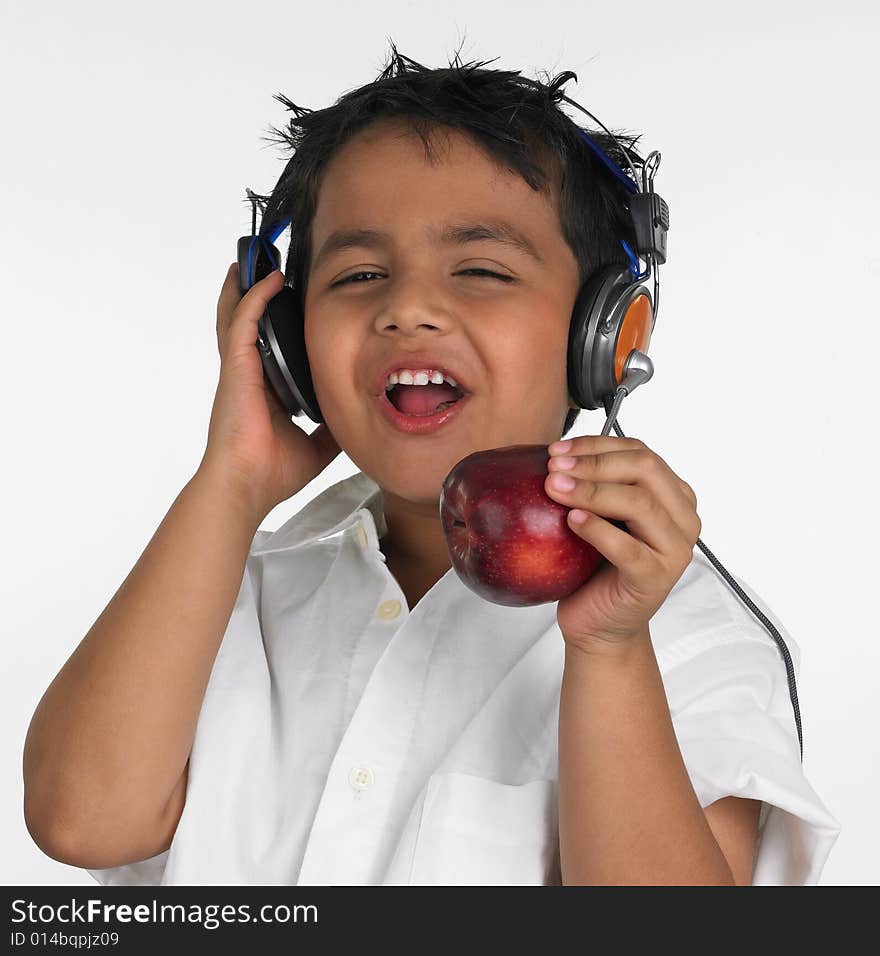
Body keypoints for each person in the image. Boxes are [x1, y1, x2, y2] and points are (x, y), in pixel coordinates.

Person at [23, 43, 841, 885]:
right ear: (285, 343)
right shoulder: (217, 588)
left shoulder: (680, 634)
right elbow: (83, 822)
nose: (407, 307)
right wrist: (231, 480)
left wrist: (609, 653)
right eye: (360, 272)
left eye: (481, 270)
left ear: (605, 334)